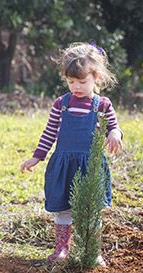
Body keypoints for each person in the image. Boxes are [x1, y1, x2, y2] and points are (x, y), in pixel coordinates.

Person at [20, 42, 123, 264]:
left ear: (96, 77)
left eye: (81, 81)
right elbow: (49, 133)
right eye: (71, 81)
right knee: (63, 208)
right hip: (64, 164)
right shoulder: (61, 104)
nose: (75, 86)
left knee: (91, 210)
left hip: (90, 165)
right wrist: (37, 156)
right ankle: (61, 249)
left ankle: (92, 251)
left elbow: (114, 126)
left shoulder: (102, 105)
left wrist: (115, 134)